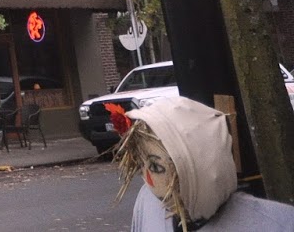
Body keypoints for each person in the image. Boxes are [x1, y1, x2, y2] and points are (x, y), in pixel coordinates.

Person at [113, 94, 294, 231]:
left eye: (156, 167)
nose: (148, 180)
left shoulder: (275, 224)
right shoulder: (147, 200)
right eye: (141, 163)